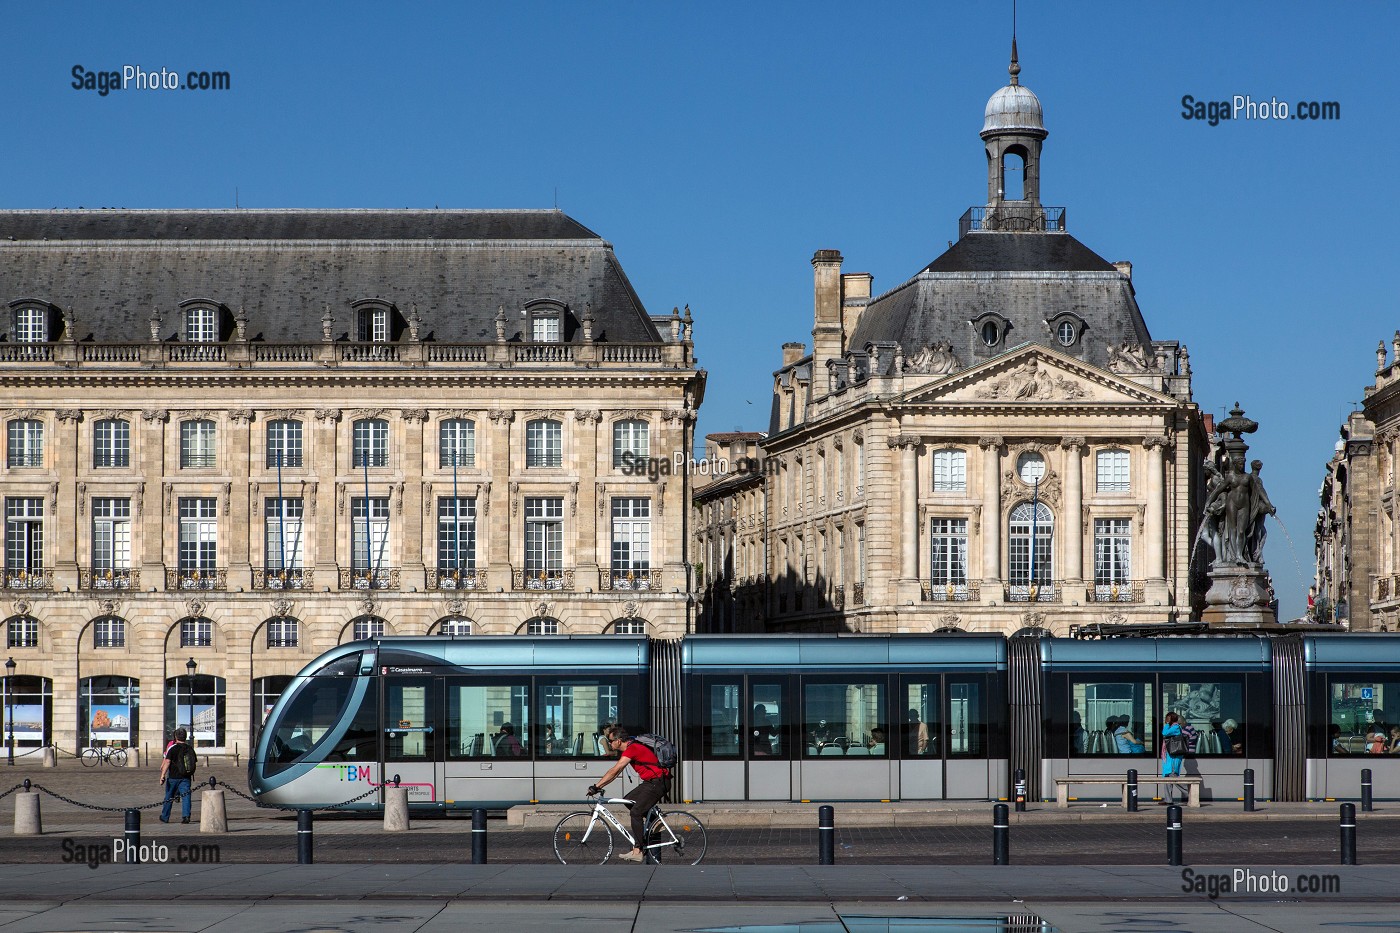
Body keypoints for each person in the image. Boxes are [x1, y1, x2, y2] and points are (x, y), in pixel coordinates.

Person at [588, 724, 672, 863]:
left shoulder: (632, 749)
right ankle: (655, 822)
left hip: (657, 782)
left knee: (636, 812)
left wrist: (596, 786)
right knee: (629, 800)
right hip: (653, 781)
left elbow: (615, 770)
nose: (609, 744)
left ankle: (638, 850)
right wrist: (600, 785)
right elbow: (615, 774)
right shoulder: (632, 747)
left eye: (610, 741)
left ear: (618, 741)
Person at [158, 727, 196, 824]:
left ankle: (165, 816)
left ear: (176, 736)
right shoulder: (190, 748)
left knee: (169, 797)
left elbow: (167, 762)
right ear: (185, 737)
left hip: (173, 777)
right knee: (186, 797)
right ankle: (186, 816)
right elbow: (193, 761)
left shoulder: (173, 748)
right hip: (186, 777)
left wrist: (162, 775)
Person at [1160, 712, 1185, 804]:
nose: (1166, 720)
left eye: (1168, 718)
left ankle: (1191, 793)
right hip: (1169, 756)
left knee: (1173, 777)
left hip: (1173, 757)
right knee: (1167, 777)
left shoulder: (1175, 727)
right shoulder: (1172, 727)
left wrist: (1166, 724)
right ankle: (1168, 799)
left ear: (1173, 719)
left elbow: (1164, 733)